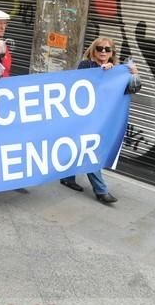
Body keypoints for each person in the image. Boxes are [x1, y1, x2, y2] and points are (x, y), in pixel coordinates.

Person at [60, 37, 140, 204]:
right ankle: (101, 190)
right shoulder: (86, 65)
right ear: (93, 50)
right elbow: (81, 85)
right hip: (82, 118)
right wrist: (100, 71)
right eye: (100, 48)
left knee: (79, 147)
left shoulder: (117, 71)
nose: (103, 52)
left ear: (112, 53)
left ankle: (67, 177)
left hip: (101, 120)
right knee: (90, 151)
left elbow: (131, 89)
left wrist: (134, 75)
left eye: (107, 49)